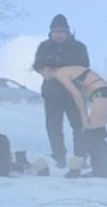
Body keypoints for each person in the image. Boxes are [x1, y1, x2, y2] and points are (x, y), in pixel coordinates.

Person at [32, 14, 89, 168]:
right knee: (53, 126)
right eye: (55, 32)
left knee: (79, 126)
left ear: (68, 32)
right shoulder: (44, 47)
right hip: (52, 92)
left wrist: (63, 69)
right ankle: (59, 157)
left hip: (74, 92)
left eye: (61, 32)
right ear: (50, 33)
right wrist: (44, 70)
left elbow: (84, 67)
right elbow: (37, 64)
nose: (58, 35)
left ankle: (81, 157)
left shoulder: (78, 47)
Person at [42, 65, 107, 178]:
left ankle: (98, 171)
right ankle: (100, 170)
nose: (44, 77)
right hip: (105, 95)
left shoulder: (60, 74)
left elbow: (77, 95)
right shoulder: (72, 71)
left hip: (101, 95)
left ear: (47, 69)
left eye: (42, 73)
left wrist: (83, 117)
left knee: (93, 134)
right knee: (95, 135)